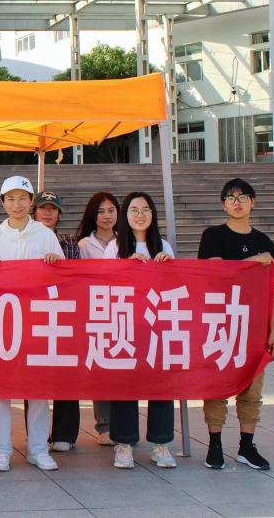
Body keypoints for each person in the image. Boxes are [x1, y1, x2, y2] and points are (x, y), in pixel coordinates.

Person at [0, 176, 63, 473]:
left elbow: (62, 277)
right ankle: (1, 451)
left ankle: (38, 449)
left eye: (22, 198)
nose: (17, 204)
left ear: (31, 202)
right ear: (3, 203)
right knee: (1, 391)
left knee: (38, 388)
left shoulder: (45, 235)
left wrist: (54, 262)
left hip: (38, 321)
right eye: (11, 199)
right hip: (3, 323)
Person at [198, 178, 274, 471]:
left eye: (243, 196)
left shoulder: (264, 241)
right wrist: (254, 260)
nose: (237, 202)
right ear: (223, 205)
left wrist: (273, 330)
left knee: (252, 389)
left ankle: (247, 446)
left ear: (253, 202)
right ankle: (215, 444)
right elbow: (217, 272)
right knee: (217, 386)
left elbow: (270, 290)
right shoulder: (213, 235)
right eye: (230, 198)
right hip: (221, 322)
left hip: (254, 326)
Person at [105, 191, 177, 470]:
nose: (140, 215)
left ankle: (161, 443)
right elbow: (104, 286)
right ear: (125, 215)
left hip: (157, 325)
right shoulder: (115, 247)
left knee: (161, 384)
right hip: (125, 325)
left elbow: (175, 287)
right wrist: (126, 268)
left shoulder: (164, 246)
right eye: (134, 209)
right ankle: (123, 444)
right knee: (125, 385)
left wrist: (168, 267)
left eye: (146, 209)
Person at [33, 191, 80, 454]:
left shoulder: (70, 242)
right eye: (43, 208)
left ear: (59, 213)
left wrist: (59, 263)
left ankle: (64, 433)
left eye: (52, 208)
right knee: (34, 376)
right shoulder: (26, 241)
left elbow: (76, 275)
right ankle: (36, 434)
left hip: (64, 312)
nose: (47, 213)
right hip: (33, 313)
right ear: (35, 212)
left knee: (66, 374)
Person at [75, 191, 120, 447]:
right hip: (95, 312)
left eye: (111, 210)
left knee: (123, 369)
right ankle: (104, 425)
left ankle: (123, 424)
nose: (106, 216)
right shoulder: (84, 245)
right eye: (101, 211)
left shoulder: (126, 241)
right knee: (100, 369)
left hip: (123, 310)